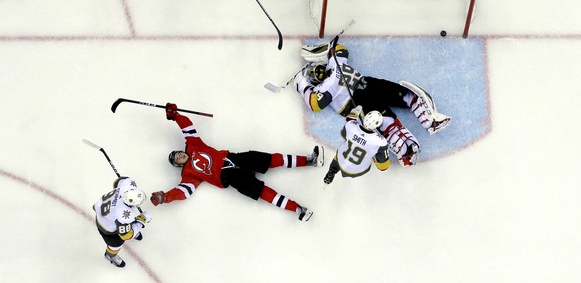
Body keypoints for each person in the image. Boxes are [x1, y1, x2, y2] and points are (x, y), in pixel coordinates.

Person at [149, 103, 323, 222]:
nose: (178, 157)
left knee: (271, 159)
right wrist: (166, 197)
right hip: (230, 177)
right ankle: (298, 210)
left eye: (177, 154)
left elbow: (187, 128)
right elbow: (183, 192)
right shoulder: (188, 175)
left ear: (181, 151)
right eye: (176, 160)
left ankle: (309, 161)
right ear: (179, 165)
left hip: (234, 158)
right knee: (262, 191)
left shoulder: (193, 145)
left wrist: (175, 115)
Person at [294, 41, 451, 167]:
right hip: (362, 97)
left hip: (364, 93)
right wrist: (322, 53)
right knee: (395, 108)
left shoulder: (326, 86)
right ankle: (421, 132)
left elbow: (315, 103)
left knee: (396, 107)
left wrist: (301, 83)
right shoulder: (335, 65)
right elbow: (340, 49)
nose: (318, 72)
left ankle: (418, 136)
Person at [324, 105, 391, 184]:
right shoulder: (381, 142)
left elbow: (343, 135)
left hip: (341, 160)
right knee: (370, 156)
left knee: (343, 149)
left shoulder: (350, 126)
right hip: (357, 170)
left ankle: (332, 170)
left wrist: (355, 112)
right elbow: (383, 167)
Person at [93, 176, 151, 268]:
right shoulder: (123, 216)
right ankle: (110, 255)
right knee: (117, 243)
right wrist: (141, 221)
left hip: (103, 208)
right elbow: (127, 235)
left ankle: (132, 227)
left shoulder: (126, 184)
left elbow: (117, 181)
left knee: (130, 220)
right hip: (107, 227)